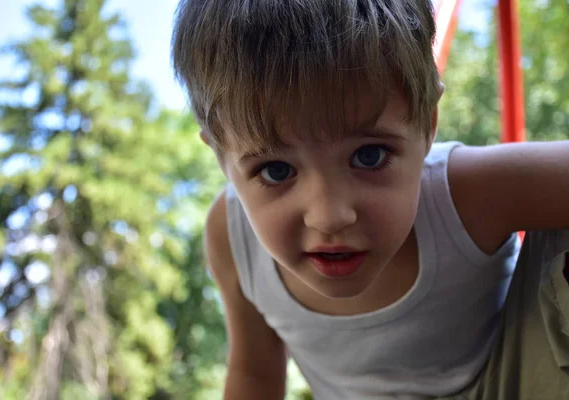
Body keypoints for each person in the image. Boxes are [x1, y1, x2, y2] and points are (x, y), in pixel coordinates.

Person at [171, 1, 569, 399]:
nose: (329, 216)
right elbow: (255, 373)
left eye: (369, 156)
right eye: (276, 170)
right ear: (221, 157)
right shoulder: (233, 237)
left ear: (427, 126)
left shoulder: (466, 195)